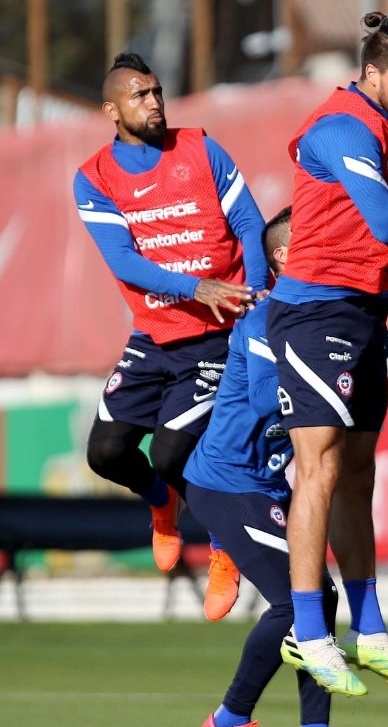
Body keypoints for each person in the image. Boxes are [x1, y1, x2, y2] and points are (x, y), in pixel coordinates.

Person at [266, 13, 388, 697]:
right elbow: (385, 223)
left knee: (358, 473)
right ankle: (308, 632)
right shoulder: (342, 126)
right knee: (320, 467)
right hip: (314, 315)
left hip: (366, 312)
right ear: (370, 73)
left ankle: (369, 631)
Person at [74, 51, 265, 616]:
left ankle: (226, 548)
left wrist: (251, 297)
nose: (154, 103)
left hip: (215, 338)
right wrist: (196, 287)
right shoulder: (94, 178)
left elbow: (250, 223)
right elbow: (124, 261)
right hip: (155, 335)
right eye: (139, 95)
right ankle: (162, 506)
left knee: (174, 452)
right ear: (112, 109)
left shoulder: (202, 149)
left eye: (157, 92)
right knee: (106, 454)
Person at [186, 208, 358, 727]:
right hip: (226, 484)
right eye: (318, 241)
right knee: (293, 602)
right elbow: (266, 401)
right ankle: (230, 718)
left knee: (319, 599)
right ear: (285, 257)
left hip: (262, 483)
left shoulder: (312, 318)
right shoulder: (265, 320)